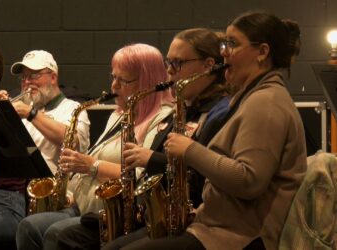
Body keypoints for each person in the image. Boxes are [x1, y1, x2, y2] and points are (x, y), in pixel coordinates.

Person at [103, 11, 307, 250]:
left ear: (262, 52)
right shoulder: (250, 97)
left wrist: (190, 150)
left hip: (239, 237)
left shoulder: (266, 102)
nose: (223, 52)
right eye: (224, 43)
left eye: (232, 44)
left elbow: (249, 180)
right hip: (215, 226)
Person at [55, 28, 230, 250]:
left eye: (178, 63)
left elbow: (201, 175)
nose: (170, 72)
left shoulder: (217, 113)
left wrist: (150, 159)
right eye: (168, 63)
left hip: (195, 220)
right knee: (70, 236)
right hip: (156, 212)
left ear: (208, 66)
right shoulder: (185, 110)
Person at [16, 43, 174, 250]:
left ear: (147, 82)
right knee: (28, 226)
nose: (113, 87)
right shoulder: (118, 116)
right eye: (113, 78)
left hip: (115, 212)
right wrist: (69, 190)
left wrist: (92, 165)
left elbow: (141, 176)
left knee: (56, 233)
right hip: (83, 204)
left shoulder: (162, 119)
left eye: (122, 80)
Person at [0, 49, 90, 250]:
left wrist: (30, 113)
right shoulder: (24, 112)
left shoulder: (73, 108)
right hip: (19, 196)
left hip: (59, 200)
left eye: (35, 75)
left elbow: (71, 140)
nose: (28, 82)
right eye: (24, 77)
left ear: (53, 77)